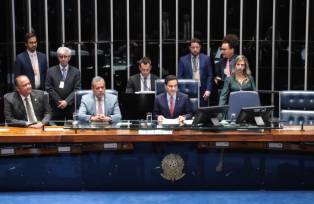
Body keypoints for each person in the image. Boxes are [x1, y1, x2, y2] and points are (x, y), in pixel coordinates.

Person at [45, 47, 81, 122]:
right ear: (58, 57)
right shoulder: (50, 71)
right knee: (56, 129)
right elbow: (48, 88)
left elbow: (77, 89)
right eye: (61, 57)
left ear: (69, 57)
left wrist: (67, 101)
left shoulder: (76, 72)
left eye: (65, 56)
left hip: (70, 106)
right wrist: (59, 101)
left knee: (71, 130)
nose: (63, 59)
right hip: (56, 106)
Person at [178, 38, 213, 106]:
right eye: (193, 47)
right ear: (189, 48)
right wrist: (182, 91)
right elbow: (180, 77)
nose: (195, 49)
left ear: (200, 47)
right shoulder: (183, 60)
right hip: (187, 90)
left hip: (202, 89)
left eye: (197, 47)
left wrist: (208, 89)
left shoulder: (206, 59)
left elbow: (210, 75)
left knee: (202, 110)